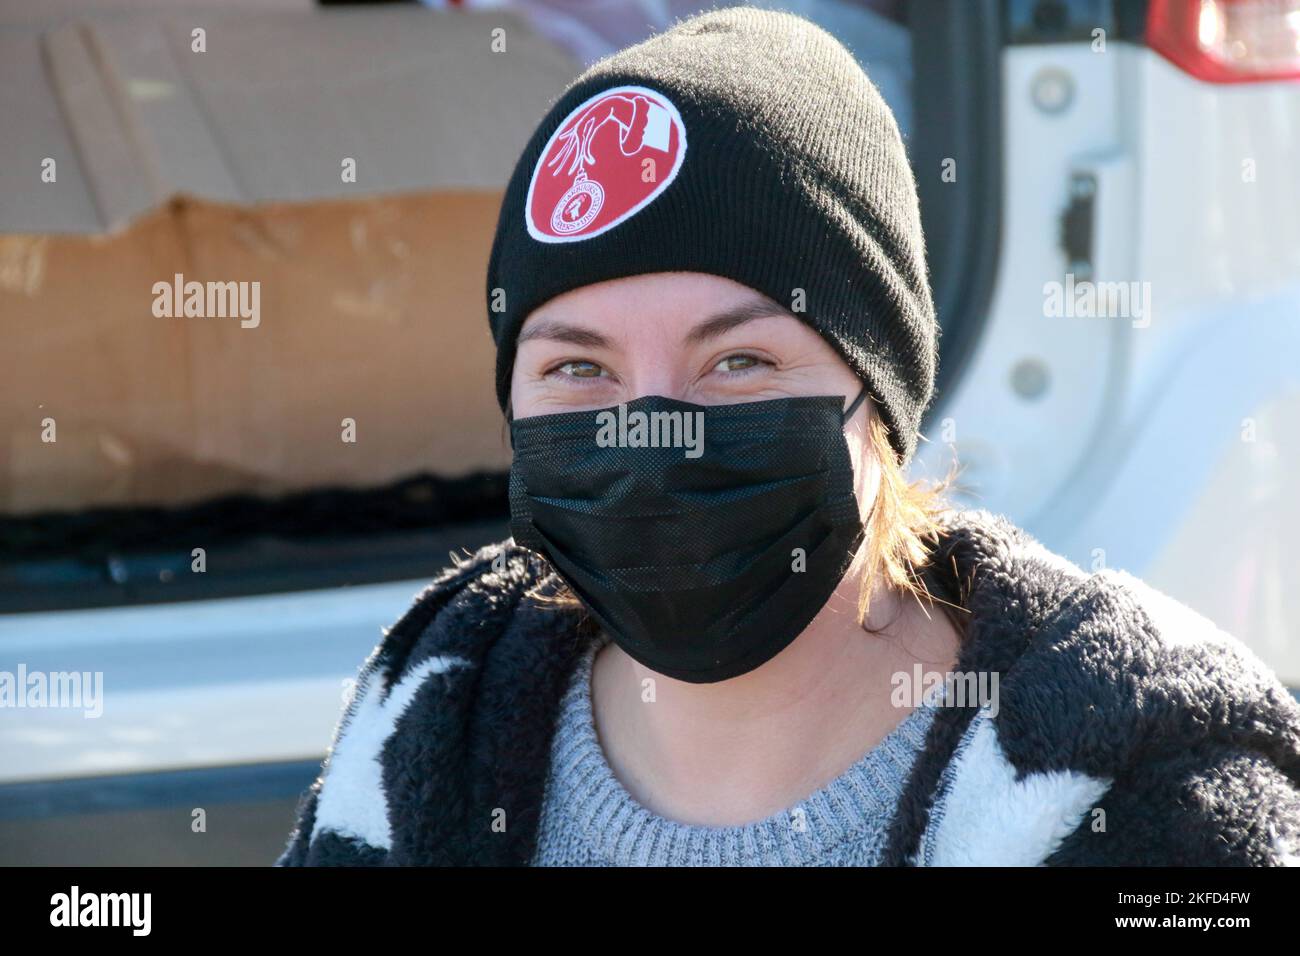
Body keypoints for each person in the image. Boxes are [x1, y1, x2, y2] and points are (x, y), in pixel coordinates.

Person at [277, 6, 1300, 867]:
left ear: (878, 388)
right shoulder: (428, 718)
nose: (646, 434)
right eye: (577, 370)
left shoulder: (1146, 777)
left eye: (738, 363)